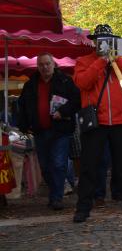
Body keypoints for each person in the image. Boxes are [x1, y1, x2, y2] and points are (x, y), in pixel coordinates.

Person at [73, 24, 122, 223]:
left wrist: (118, 61)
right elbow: (82, 83)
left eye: (108, 40)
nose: (104, 44)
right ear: (94, 42)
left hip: (120, 120)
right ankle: (83, 207)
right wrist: (100, 62)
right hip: (96, 122)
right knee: (90, 166)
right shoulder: (84, 61)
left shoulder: (121, 61)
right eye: (101, 41)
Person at [17, 53, 81, 210]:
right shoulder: (31, 84)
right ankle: (54, 192)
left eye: (47, 64)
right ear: (37, 66)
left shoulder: (65, 81)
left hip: (60, 131)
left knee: (59, 164)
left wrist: (63, 112)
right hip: (40, 131)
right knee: (45, 166)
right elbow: (22, 106)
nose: (45, 67)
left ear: (53, 64)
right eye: (41, 64)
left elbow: (77, 101)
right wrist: (24, 126)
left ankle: (56, 198)